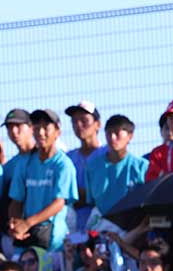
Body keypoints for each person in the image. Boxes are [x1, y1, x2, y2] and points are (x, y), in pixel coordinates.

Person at [8, 109, 77, 252]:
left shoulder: (63, 164)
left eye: (46, 127)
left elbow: (59, 203)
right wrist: (15, 225)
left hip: (54, 242)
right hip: (28, 238)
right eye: (37, 127)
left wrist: (28, 223)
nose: (40, 132)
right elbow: (16, 200)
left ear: (58, 132)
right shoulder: (25, 163)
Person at [83, 115, 148, 217]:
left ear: (130, 136)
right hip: (101, 223)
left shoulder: (142, 166)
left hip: (132, 223)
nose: (112, 138)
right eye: (109, 133)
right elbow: (91, 202)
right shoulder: (92, 167)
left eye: (117, 133)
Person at [64, 101, 105, 231]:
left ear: (98, 124)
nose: (79, 125)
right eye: (74, 121)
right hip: (72, 228)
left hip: (102, 226)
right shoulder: (68, 158)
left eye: (84, 120)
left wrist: (79, 195)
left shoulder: (108, 155)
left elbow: (104, 195)